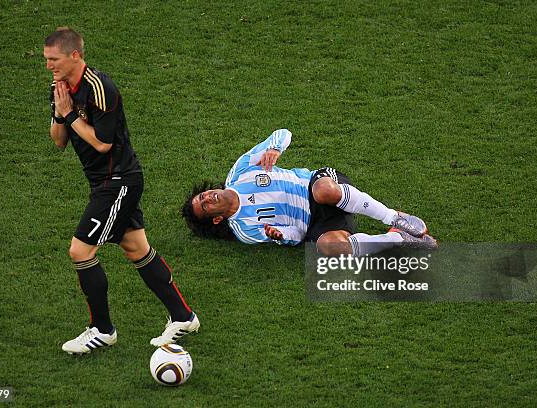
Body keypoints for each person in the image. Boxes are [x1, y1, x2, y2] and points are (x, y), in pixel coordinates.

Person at [43, 27, 198, 354]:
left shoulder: (101, 88)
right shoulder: (60, 88)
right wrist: (60, 111)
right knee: (135, 247)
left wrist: (70, 114)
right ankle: (183, 316)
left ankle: (102, 329)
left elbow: (103, 143)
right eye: (46, 60)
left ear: (75, 55)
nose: (48, 66)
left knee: (80, 251)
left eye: (53, 59)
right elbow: (58, 141)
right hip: (102, 182)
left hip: (119, 181)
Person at [181, 128, 438, 256]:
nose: (208, 197)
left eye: (203, 195)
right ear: (216, 219)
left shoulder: (239, 173)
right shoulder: (245, 230)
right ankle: (399, 239)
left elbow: (282, 133)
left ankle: (394, 217)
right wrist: (280, 235)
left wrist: (275, 149)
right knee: (329, 247)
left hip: (319, 184)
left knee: (323, 191)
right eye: (205, 205)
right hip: (316, 222)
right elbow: (298, 235)